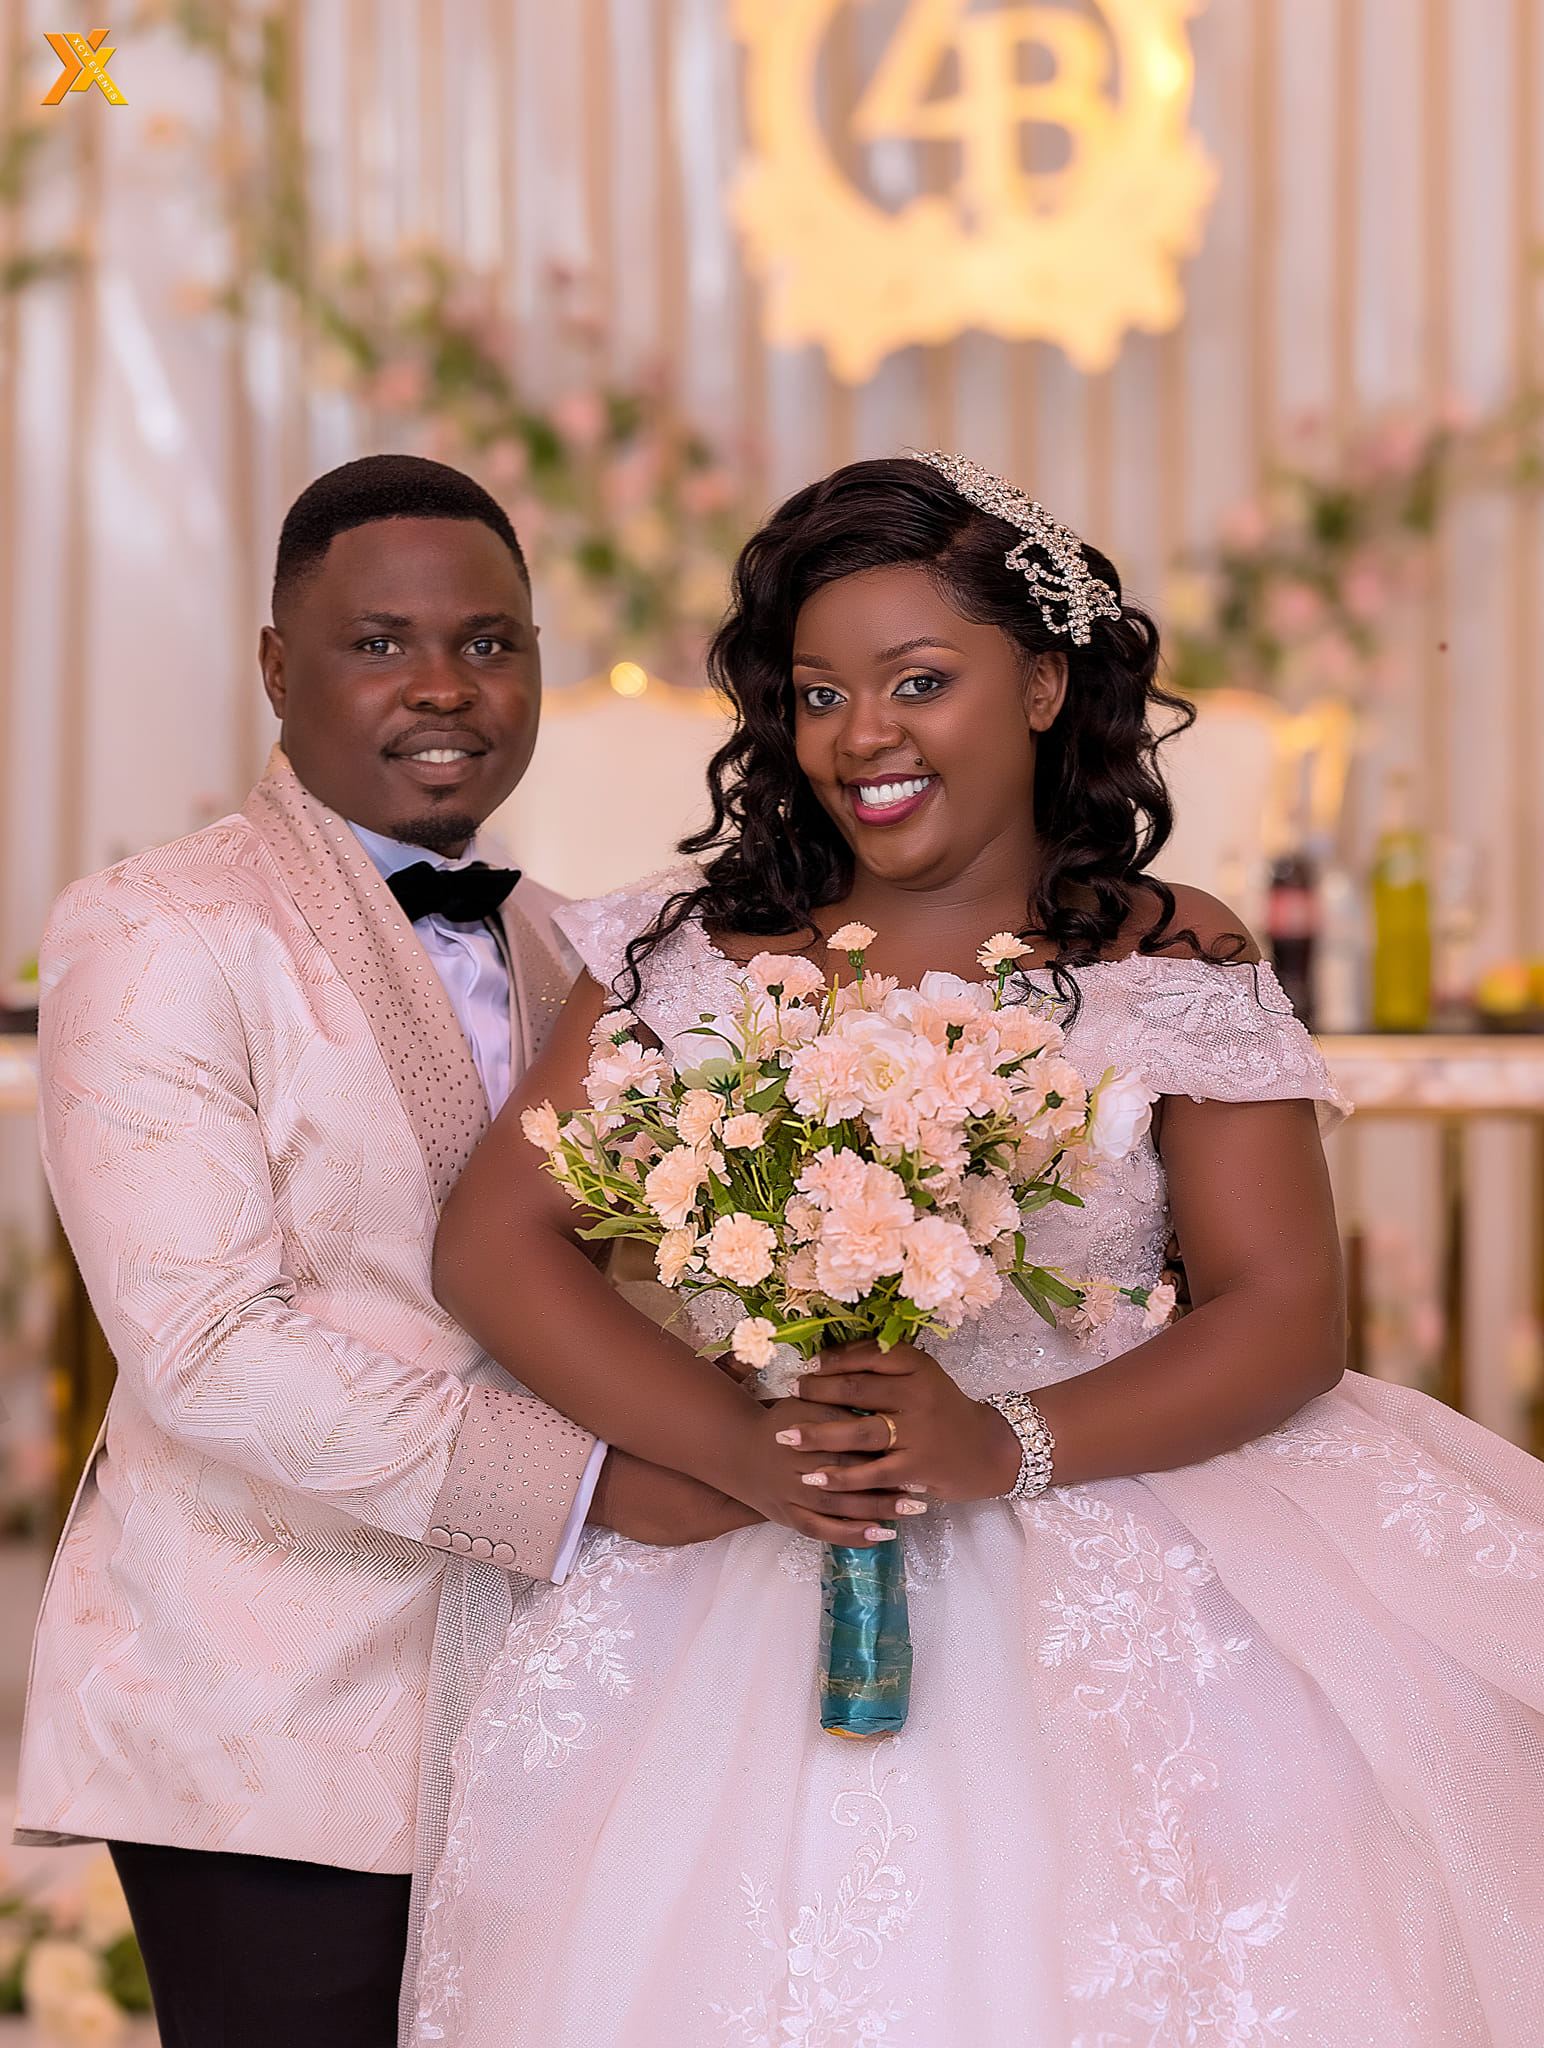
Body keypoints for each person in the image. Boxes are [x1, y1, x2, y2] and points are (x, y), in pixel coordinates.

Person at [411, 455, 1544, 2046]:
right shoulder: (695, 955)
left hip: (1133, 1531)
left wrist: (1000, 1445)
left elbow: (1285, 1311)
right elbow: (496, 1243)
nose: (861, 735)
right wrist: (739, 1450)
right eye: (818, 695)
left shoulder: (1168, 949)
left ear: (1043, 686)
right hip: (756, 1564)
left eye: (919, 681)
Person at [15, 454, 748, 2048]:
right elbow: (209, 1347)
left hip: (561, 1701)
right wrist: (598, 1487)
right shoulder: (155, 928)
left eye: (489, 643)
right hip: (268, 1716)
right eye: (378, 644)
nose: (444, 687)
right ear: (277, 667)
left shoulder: (578, 946)